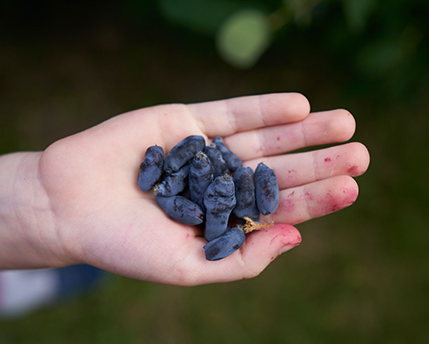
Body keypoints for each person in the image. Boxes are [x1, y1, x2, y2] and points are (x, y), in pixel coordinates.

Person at [0, 92, 369, 288]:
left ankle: (34, 286)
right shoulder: (188, 179)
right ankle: (38, 287)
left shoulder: (214, 182)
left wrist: (42, 200)